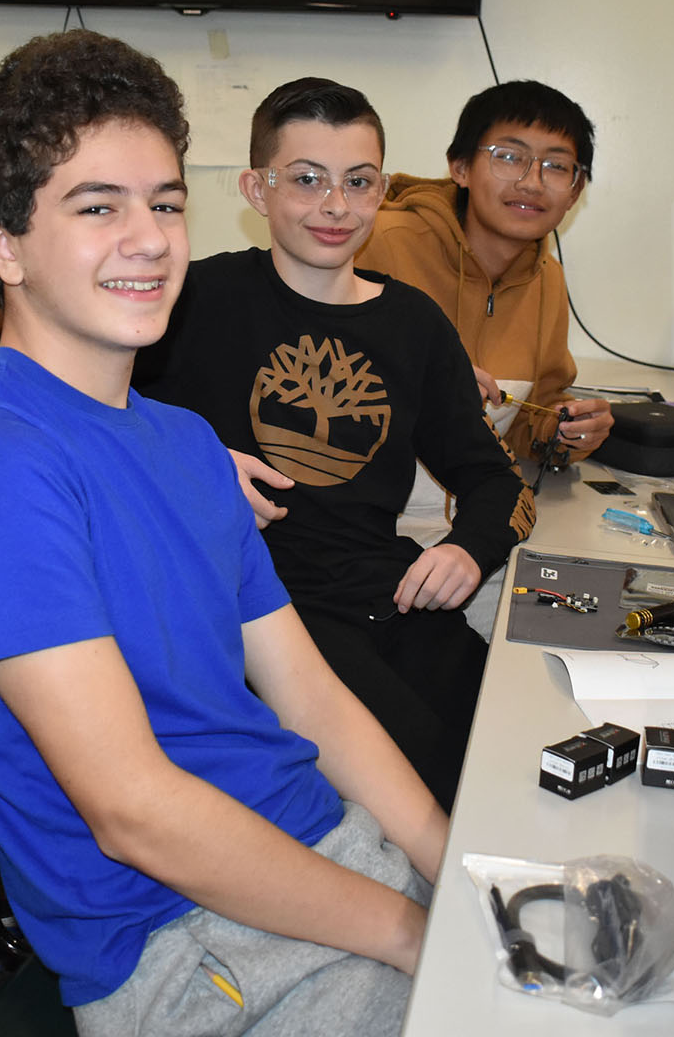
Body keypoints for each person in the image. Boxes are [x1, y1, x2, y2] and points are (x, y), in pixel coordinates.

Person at [0, 31, 447, 1036]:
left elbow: (310, 693)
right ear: (2, 244)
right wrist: (418, 934)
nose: (149, 238)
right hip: (189, 942)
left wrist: (456, 870)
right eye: (97, 206)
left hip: (319, 856)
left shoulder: (187, 442)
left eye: (166, 203)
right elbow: (135, 811)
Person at [133, 78, 534, 810]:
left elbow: (494, 481)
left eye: (359, 182)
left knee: (515, 762)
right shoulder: (191, 299)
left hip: (395, 598)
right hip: (266, 617)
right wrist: (193, 464)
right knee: (427, 788)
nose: (335, 206)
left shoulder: (414, 325)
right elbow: (86, 420)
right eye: (307, 180)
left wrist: (467, 550)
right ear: (257, 188)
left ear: (383, 189)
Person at [358, 80, 615, 461]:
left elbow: (527, 422)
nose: (532, 182)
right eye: (509, 157)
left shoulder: (548, 279)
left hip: (474, 507)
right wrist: (419, 386)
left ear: (575, 191)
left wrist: (565, 431)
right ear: (461, 167)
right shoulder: (375, 243)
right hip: (364, 506)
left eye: (557, 166)